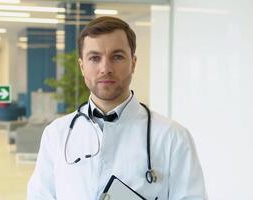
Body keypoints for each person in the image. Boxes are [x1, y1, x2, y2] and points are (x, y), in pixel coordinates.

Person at [27, 16, 206, 200]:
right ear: (82, 66)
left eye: (117, 57)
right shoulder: (57, 134)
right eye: (94, 58)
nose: (105, 68)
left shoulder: (171, 136)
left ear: (133, 63)